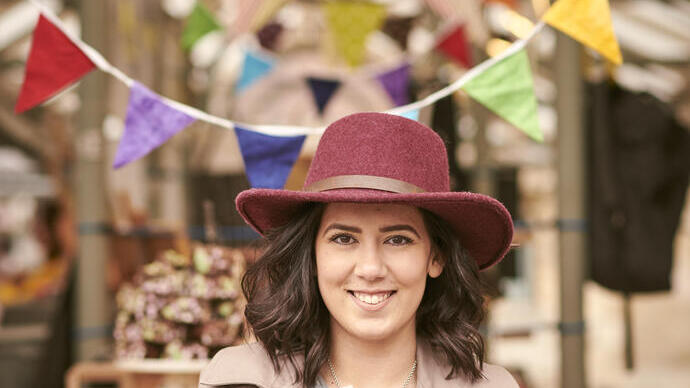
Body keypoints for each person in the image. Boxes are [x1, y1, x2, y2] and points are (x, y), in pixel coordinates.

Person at [199, 112, 517, 388]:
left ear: (436, 257)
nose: (370, 268)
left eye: (398, 240)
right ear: (311, 255)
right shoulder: (240, 380)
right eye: (343, 239)